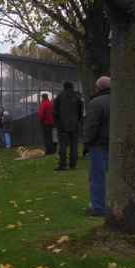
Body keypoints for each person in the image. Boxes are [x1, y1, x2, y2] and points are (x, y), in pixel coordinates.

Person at [82, 76, 111, 216]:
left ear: (98, 87)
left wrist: (87, 142)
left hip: (100, 145)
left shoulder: (96, 103)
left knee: (97, 177)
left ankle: (98, 207)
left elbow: (90, 126)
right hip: (118, 144)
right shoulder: (122, 101)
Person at [52, 81, 84, 171]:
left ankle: (63, 165)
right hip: (74, 125)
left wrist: (57, 122)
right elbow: (81, 111)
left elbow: (54, 111)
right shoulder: (77, 97)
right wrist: (78, 122)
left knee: (63, 145)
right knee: (74, 145)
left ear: (64, 87)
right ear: (72, 87)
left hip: (62, 125)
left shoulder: (59, 97)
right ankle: (73, 165)